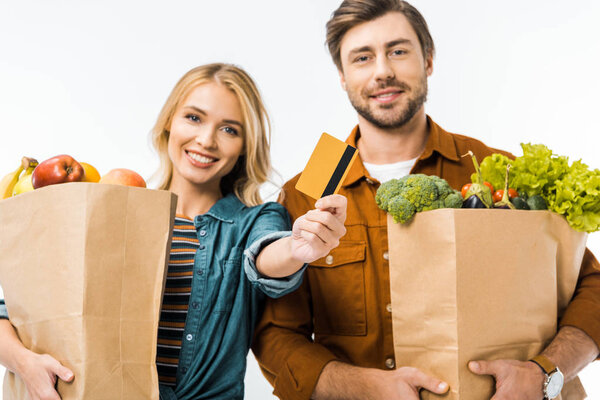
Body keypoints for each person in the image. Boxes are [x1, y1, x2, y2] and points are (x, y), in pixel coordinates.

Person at [252, 1, 600, 399]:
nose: (383, 70)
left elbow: (591, 288)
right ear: (343, 77)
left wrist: (545, 372)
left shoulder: (493, 171)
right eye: (362, 58)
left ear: (429, 60)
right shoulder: (307, 189)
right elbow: (275, 334)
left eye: (398, 51)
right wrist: (366, 387)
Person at [0, 63, 348, 400]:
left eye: (229, 129)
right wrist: (25, 364)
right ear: (169, 121)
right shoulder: (111, 208)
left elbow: (265, 255)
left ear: (245, 145)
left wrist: (295, 248)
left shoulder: (254, 221)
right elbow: (16, 308)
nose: (206, 140)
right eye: (194, 118)